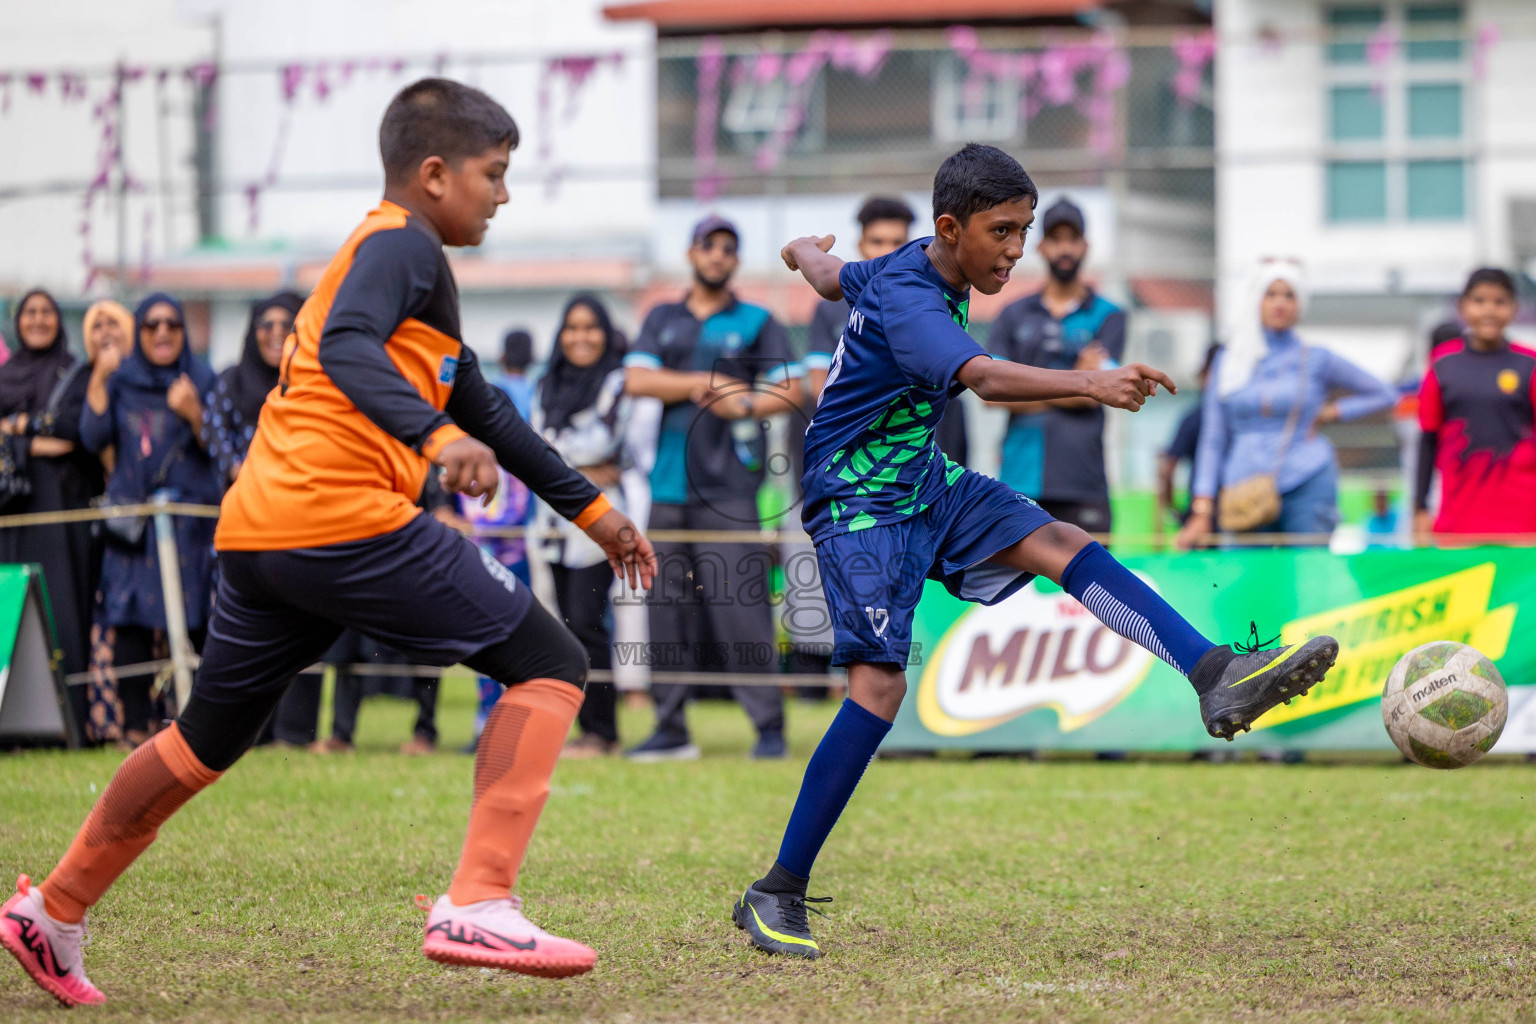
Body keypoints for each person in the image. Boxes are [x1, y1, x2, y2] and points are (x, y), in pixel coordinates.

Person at [1, 78, 656, 1007]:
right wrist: (434, 442)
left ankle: (52, 909)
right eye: (494, 174)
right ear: (434, 175)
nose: (503, 195)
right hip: (340, 520)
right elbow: (351, 350)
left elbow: (487, 409)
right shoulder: (400, 247)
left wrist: (591, 511)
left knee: (202, 742)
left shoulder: (405, 266)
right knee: (550, 662)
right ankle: (478, 900)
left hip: (261, 532)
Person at [729, 144, 1342, 960]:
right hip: (857, 500)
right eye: (1004, 232)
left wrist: (806, 251)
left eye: (1022, 229)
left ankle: (1214, 675)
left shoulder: (898, 265)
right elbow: (981, 378)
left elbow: (831, 277)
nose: (1016, 250)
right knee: (878, 690)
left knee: (1063, 541)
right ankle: (778, 890)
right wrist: (1090, 383)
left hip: (923, 481)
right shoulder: (914, 297)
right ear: (950, 228)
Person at [622, 214, 804, 762]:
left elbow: (790, 387)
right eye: (710, 245)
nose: (719, 255)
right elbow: (636, 379)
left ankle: (768, 729)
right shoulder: (662, 317)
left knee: (742, 607)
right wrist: (704, 385)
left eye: (729, 247)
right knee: (665, 611)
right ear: (691, 253)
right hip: (665, 487)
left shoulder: (755, 321)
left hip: (730, 488)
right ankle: (670, 727)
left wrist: (742, 400)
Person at [79, 293, 222, 749]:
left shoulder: (202, 379)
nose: (162, 332)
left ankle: (198, 733)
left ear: (183, 332)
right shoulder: (121, 380)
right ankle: (136, 728)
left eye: (172, 325)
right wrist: (100, 378)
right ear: (138, 333)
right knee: (132, 622)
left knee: (198, 621)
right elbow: (93, 435)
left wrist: (194, 414)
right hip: (137, 526)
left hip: (191, 526)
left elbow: (223, 447)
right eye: (151, 325)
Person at [1177, 260, 1396, 549]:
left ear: (1300, 305)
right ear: (1256, 300)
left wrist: (1333, 412)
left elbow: (1384, 393)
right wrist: (1202, 507)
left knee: (1309, 578)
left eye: (1289, 295)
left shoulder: (1316, 358)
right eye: (1271, 294)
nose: (1280, 303)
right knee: (1247, 584)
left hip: (1307, 480)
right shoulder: (1230, 360)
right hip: (1243, 488)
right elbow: (1213, 439)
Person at [202, 292, 324, 749]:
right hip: (248, 530)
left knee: (305, 628)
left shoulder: (313, 384)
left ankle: (296, 732)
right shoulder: (228, 383)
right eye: (266, 324)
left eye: (286, 324)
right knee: (250, 634)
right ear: (251, 332)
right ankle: (248, 734)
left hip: (307, 526)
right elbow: (221, 450)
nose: (276, 333)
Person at [986, 197, 1124, 534]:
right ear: (1042, 247)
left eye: (1072, 239)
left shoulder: (1109, 315)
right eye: (1055, 239)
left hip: (1083, 479)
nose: (1065, 249)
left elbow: (1100, 392)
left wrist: (1021, 385)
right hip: (1021, 476)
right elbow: (991, 394)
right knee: (1015, 588)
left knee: (1092, 584)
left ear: (1085, 246)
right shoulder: (1012, 314)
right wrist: (1079, 377)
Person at [531, 294, 630, 758]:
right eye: (572, 328)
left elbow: (603, 440)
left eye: (591, 327)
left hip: (597, 526)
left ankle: (602, 730)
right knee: (563, 627)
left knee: (589, 624)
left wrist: (557, 460)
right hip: (550, 525)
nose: (581, 337)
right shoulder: (545, 384)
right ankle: (580, 727)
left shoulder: (616, 380)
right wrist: (576, 467)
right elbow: (531, 444)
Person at [0, 291, 103, 704]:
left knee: (61, 603)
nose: (38, 320)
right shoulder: (6, 375)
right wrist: (36, 438)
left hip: (61, 509)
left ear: (58, 321)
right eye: (30, 312)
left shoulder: (73, 372)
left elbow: (74, 433)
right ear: (18, 321)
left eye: (46, 312)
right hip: (10, 508)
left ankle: (70, 715)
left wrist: (13, 432)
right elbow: (54, 436)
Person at [1414, 267, 1536, 538]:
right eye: (1479, 301)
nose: (1489, 310)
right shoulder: (1443, 363)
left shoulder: (1530, 363)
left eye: (1499, 301)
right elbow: (1428, 439)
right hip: (1459, 513)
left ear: (1514, 308)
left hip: (1523, 514)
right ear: (1462, 306)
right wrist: (1420, 507)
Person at [1156, 343, 1221, 533]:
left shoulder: (1195, 418)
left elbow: (1168, 469)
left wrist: (1172, 509)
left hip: (1202, 514)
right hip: (1232, 511)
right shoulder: (1197, 418)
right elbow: (1168, 468)